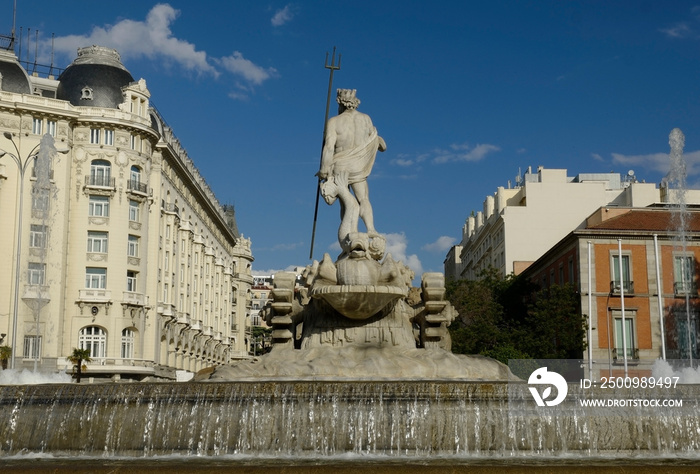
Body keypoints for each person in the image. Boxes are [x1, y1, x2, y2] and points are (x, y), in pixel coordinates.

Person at [317, 89, 386, 239]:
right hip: (358, 166)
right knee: (363, 199)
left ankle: (350, 232)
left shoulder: (334, 121)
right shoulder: (366, 119)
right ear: (355, 102)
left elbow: (329, 147)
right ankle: (371, 229)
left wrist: (323, 169)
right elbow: (374, 140)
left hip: (340, 164)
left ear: (340, 102)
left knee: (344, 201)